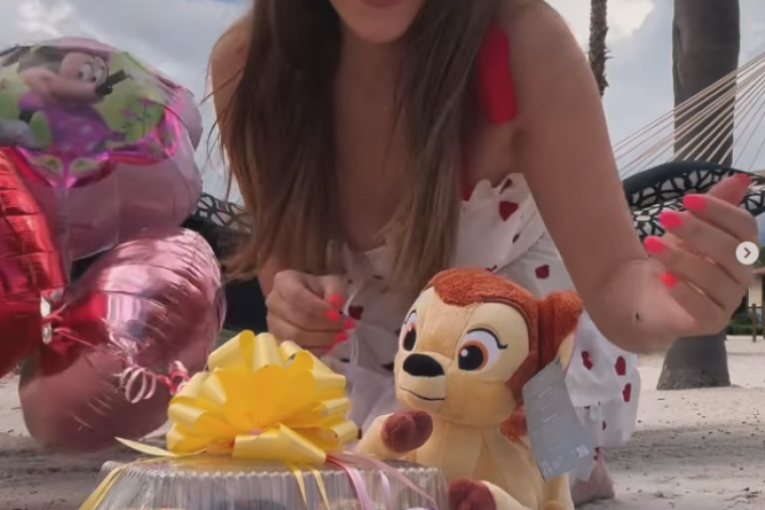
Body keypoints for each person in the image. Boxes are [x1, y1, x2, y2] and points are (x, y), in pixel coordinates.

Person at [209, 0, 757, 505]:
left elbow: (618, 283)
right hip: (362, 370)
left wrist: (672, 300)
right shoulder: (250, 67)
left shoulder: (523, 49)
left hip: (509, 365)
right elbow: (287, 271)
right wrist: (295, 303)